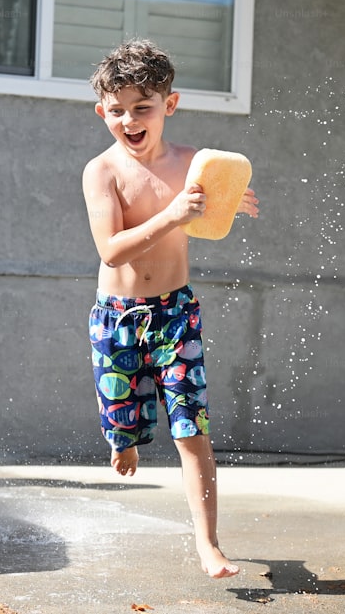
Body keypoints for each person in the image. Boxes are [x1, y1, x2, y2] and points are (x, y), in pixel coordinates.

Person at [82, 38, 259, 579]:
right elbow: (112, 249)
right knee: (124, 419)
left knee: (191, 429)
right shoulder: (102, 171)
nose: (130, 120)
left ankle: (208, 544)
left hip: (175, 315)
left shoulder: (193, 164)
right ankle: (126, 438)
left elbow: (210, 214)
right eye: (118, 111)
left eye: (143, 108)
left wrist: (230, 203)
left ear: (170, 105)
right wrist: (176, 213)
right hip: (116, 317)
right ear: (102, 112)